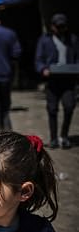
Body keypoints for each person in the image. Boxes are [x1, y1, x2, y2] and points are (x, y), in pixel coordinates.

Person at [35, 13, 79, 149]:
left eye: (62, 26)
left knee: (69, 106)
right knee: (52, 109)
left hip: (69, 80)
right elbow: (38, 59)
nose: (60, 29)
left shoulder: (72, 39)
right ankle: (54, 138)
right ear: (52, 26)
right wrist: (43, 69)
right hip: (52, 80)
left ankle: (64, 136)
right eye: (57, 26)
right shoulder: (45, 40)